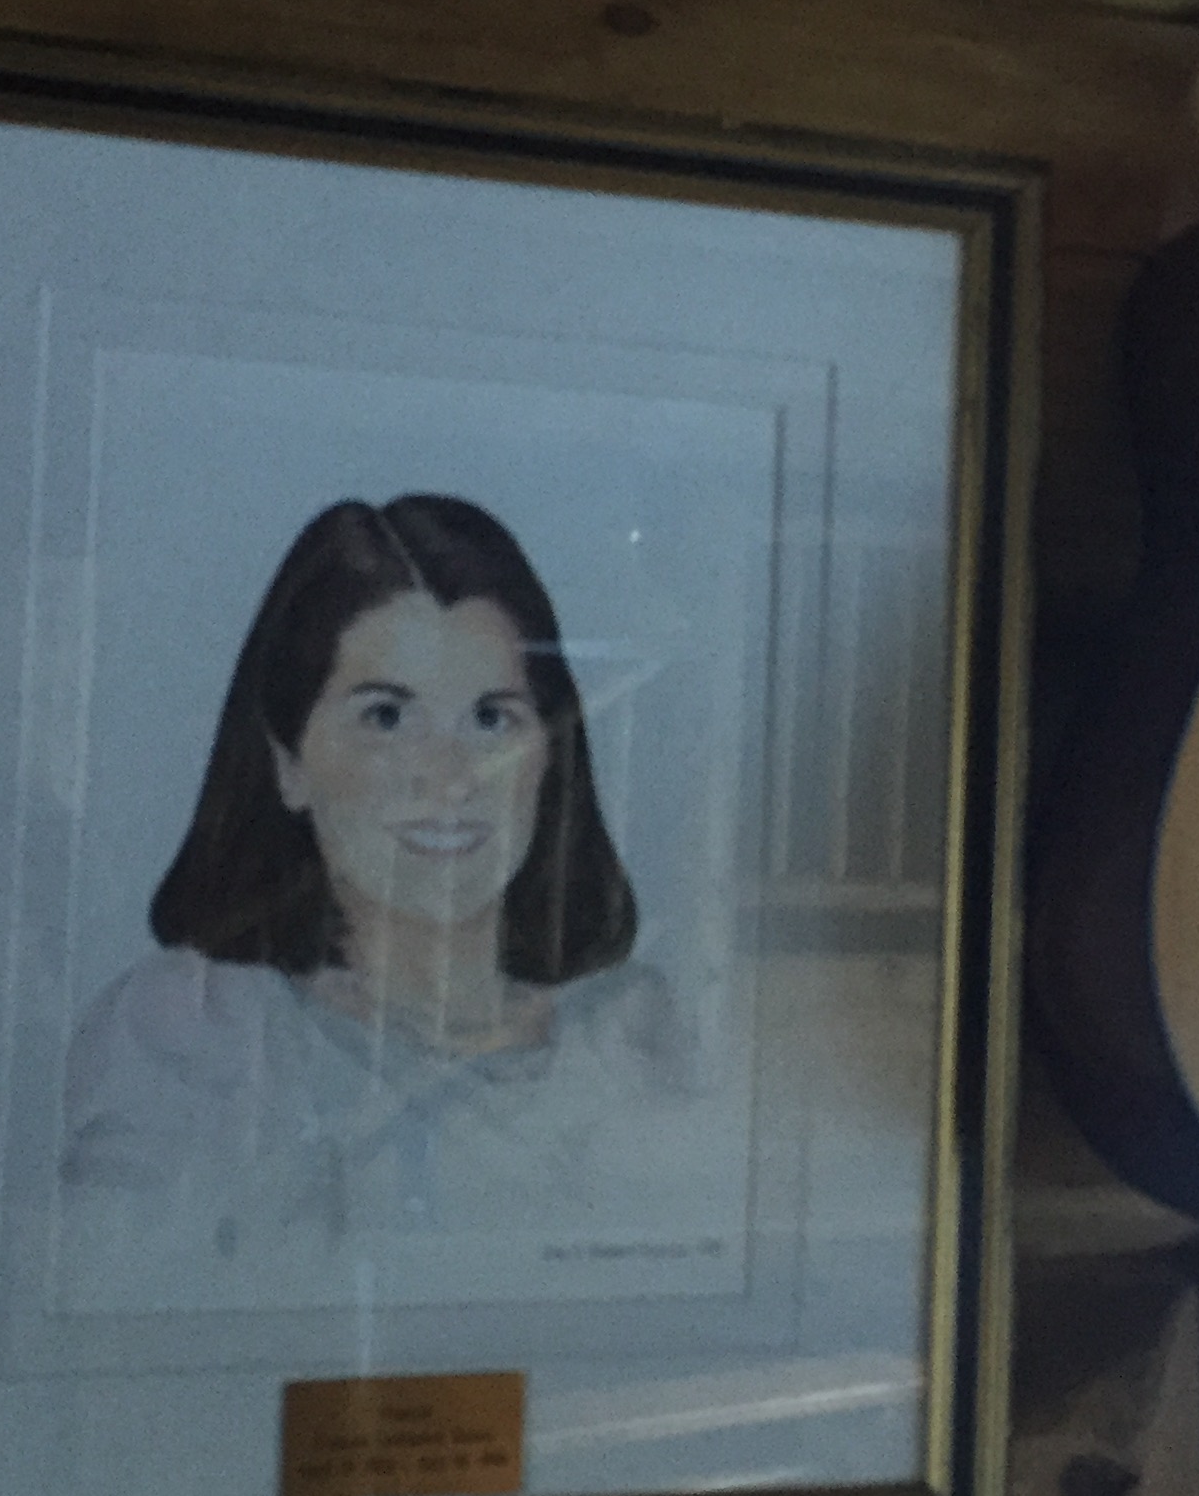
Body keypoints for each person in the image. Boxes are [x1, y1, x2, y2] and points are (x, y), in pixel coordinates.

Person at [56, 494, 723, 1315]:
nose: (449, 777)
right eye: (387, 716)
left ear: (550, 760)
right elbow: (111, 1315)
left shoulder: (626, 1038)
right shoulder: (190, 1031)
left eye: (491, 718)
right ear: (287, 762)